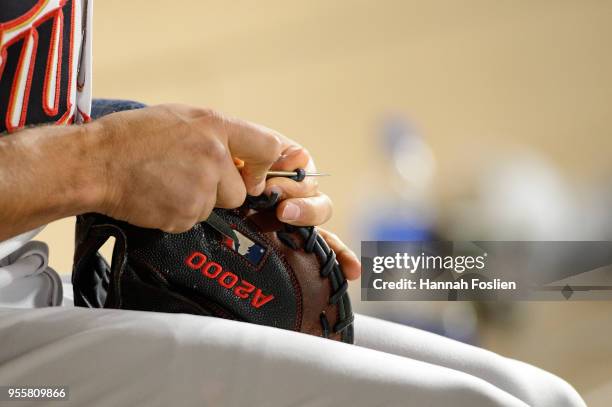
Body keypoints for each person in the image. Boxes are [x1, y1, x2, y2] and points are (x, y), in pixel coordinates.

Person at [0, 2, 586, 406]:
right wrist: (101, 162)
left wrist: (178, 162)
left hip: (33, 297)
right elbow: (87, 159)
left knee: (538, 396)